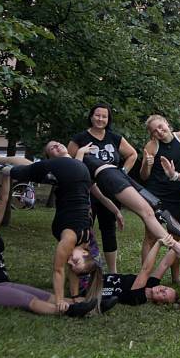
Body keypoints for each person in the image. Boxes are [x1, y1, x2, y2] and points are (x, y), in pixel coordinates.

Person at [0, 155, 107, 317]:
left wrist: (5, 175)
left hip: (5, 283)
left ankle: (93, 305)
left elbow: (4, 199)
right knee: (32, 300)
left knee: (46, 296)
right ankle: (70, 311)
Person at [72, 145, 180, 261]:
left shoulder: (85, 161)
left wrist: (116, 211)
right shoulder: (72, 162)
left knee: (157, 208)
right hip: (109, 177)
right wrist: (80, 152)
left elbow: (101, 197)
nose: (57, 145)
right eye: (52, 147)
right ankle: (178, 248)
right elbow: (76, 170)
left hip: (119, 174)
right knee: (147, 213)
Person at [68, 103, 138, 273]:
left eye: (104, 116)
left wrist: (121, 173)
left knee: (109, 230)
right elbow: (69, 162)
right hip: (86, 192)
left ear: (108, 119)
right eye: (97, 115)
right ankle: (82, 269)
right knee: (84, 231)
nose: (100, 119)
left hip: (110, 192)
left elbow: (133, 154)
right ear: (91, 117)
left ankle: (112, 272)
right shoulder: (79, 139)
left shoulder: (115, 138)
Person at [139, 114, 180, 282]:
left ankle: (175, 278)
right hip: (156, 196)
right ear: (152, 134)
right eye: (155, 130)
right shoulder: (152, 146)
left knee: (176, 237)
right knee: (151, 237)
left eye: (161, 126)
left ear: (167, 124)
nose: (159, 131)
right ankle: (145, 276)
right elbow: (144, 177)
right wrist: (146, 163)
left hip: (178, 194)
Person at [100, 231, 180, 307]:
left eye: (164, 295)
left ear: (159, 303)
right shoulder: (152, 284)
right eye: (164, 288)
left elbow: (146, 269)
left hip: (93, 286)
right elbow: (164, 264)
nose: (161, 289)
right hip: (98, 276)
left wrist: (158, 244)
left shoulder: (138, 297)